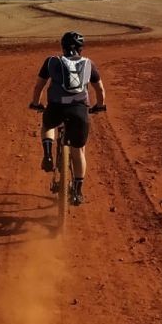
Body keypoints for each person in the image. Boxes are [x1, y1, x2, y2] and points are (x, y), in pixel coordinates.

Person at [29, 31, 106, 205]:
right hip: (79, 110)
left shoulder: (51, 61)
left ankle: (48, 154)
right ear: (81, 48)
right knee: (78, 150)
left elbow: (38, 86)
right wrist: (99, 106)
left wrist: (36, 103)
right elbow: (100, 90)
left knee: (48, 125)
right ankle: (77, 192)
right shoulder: (89, 64)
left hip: (56, 107)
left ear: (62, 47)